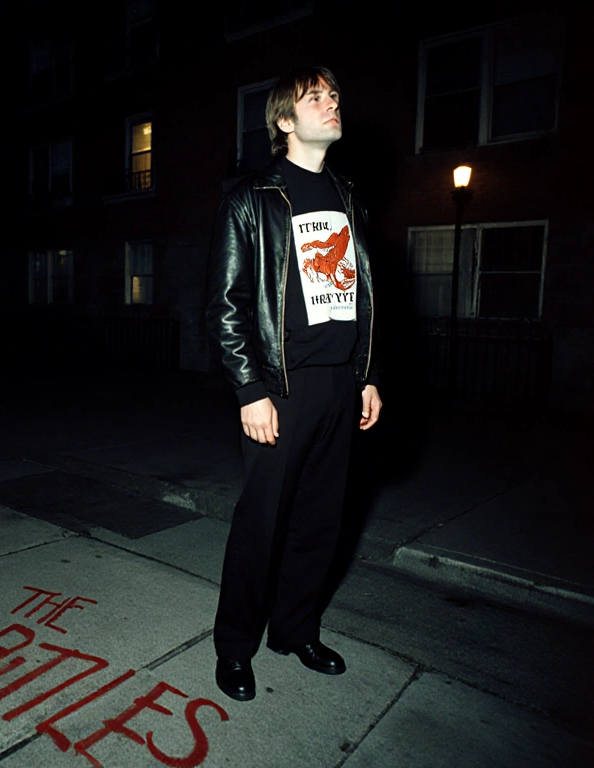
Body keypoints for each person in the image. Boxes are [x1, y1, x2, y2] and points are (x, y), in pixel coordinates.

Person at [205, 66, 382, 702]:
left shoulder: (349, 197)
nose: (333, 103)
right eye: (317, 97)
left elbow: (362, 298)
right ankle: (234, 648)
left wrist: (367, 376)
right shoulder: (253, 200)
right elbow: (225, 305)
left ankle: (295, 630)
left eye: (336, 94)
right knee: (262, 523)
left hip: (341, 385)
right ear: (285, 121)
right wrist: (250, 388)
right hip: (279, 390)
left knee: (320, 521)